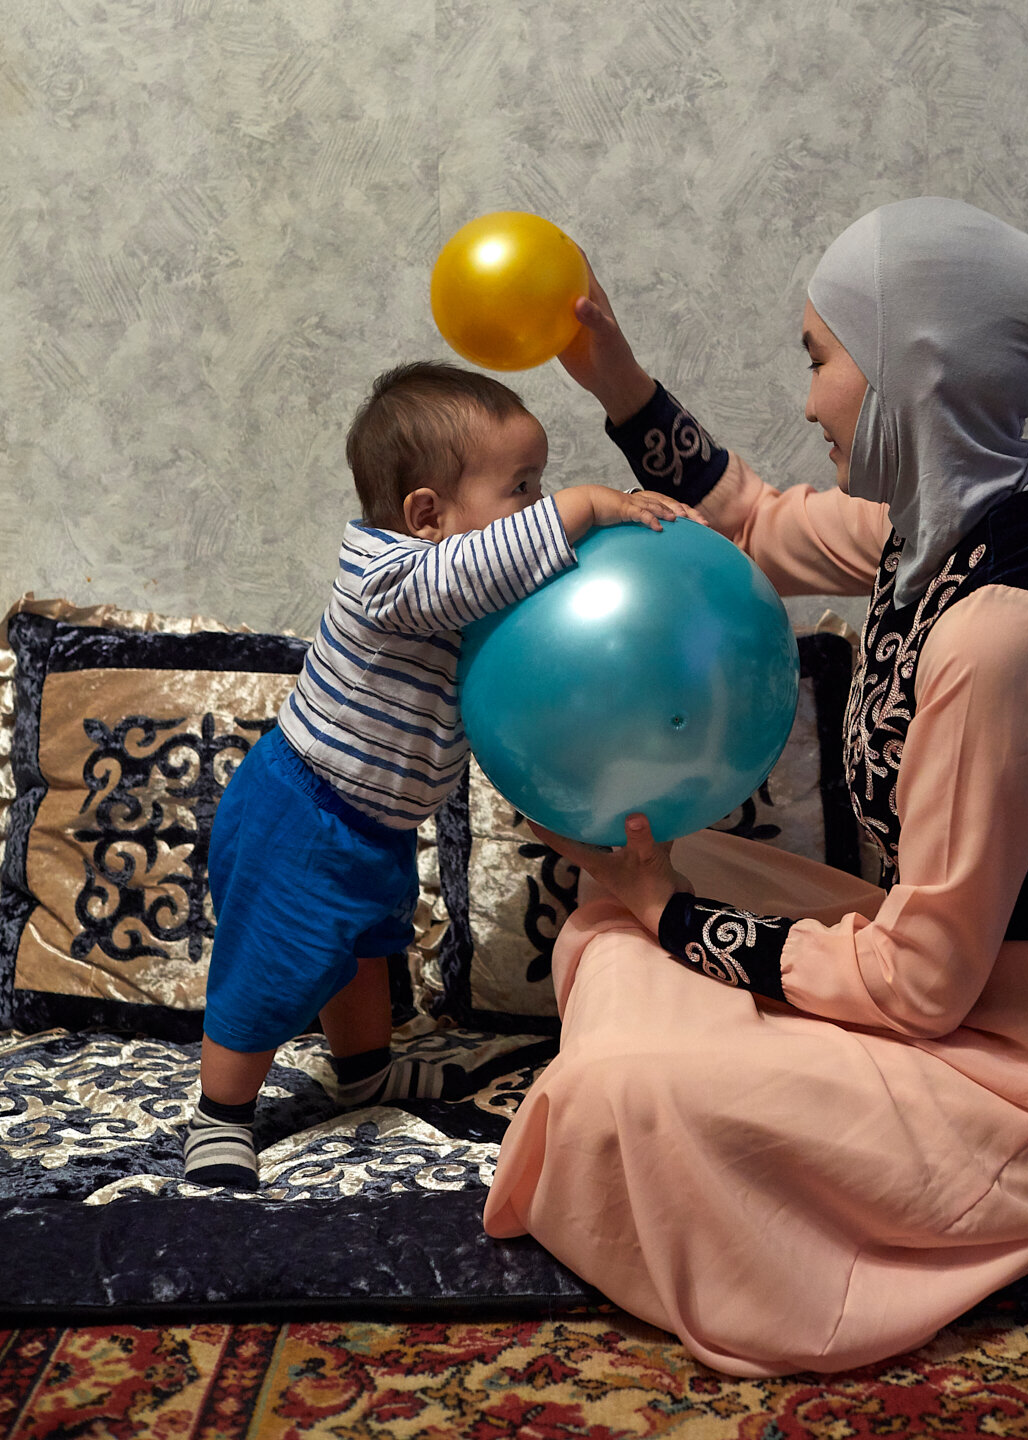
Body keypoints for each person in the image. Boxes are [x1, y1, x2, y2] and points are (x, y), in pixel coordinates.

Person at [484, 198, 1028, 1377]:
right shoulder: (932, 521)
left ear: (914, 370)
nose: (811, 395)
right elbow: (754, 525)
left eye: (821, 358)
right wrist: (615, 381)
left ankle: (686, 1108)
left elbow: (926, 985)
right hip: (962, 979)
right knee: (634, 865)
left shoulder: (1001, 635)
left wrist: (671, 915)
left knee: (621, 1075)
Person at [185, 359, 696, 1191]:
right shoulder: (387, 577)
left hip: (374, 826)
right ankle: (221, 1112)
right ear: (425, 514)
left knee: (363, 953)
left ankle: (365, 1072)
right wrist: (592, 504)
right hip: (298, 813)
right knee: (274, 963)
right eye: (522, 488)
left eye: (542, 486)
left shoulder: (455, 595)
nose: (538, 505)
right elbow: (478, 566)